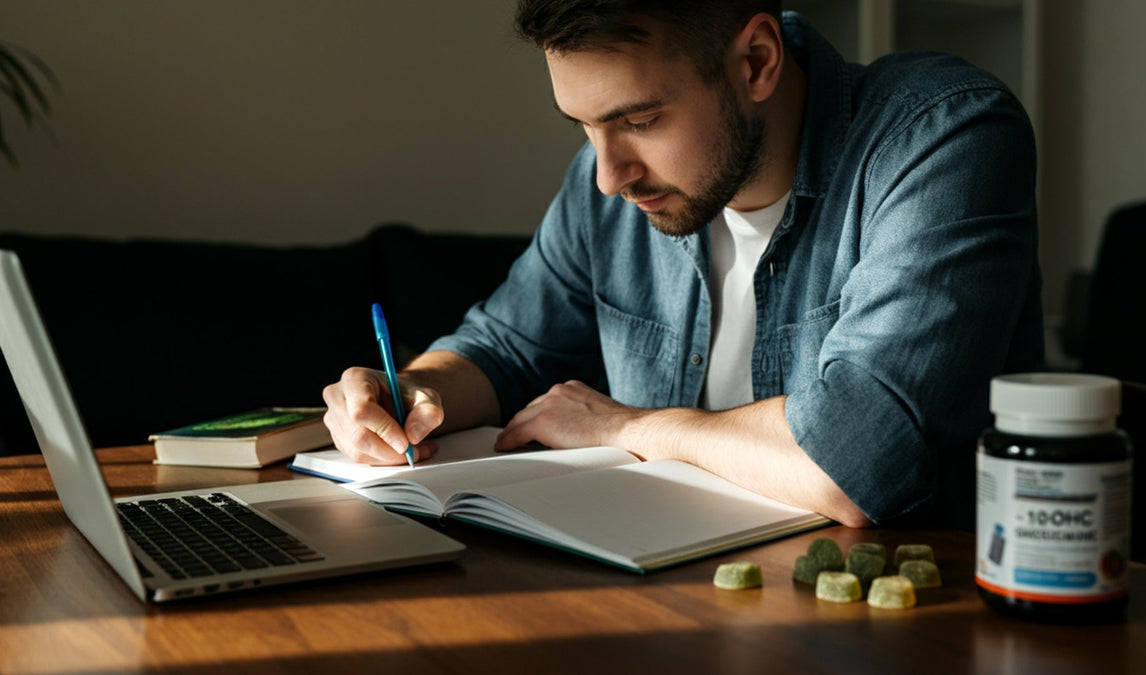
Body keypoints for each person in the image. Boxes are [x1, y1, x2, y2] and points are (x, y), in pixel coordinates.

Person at [322, 0, 1044, 529]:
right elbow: (504, 347)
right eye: (585, 127)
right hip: (672, 599)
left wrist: (627, 427)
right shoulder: (608, 186)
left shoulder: (943, 136)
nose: (607, 175)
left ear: (756, 60)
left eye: (640, 121)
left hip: (902, 622)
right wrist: (411, 390)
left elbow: (858, 462)